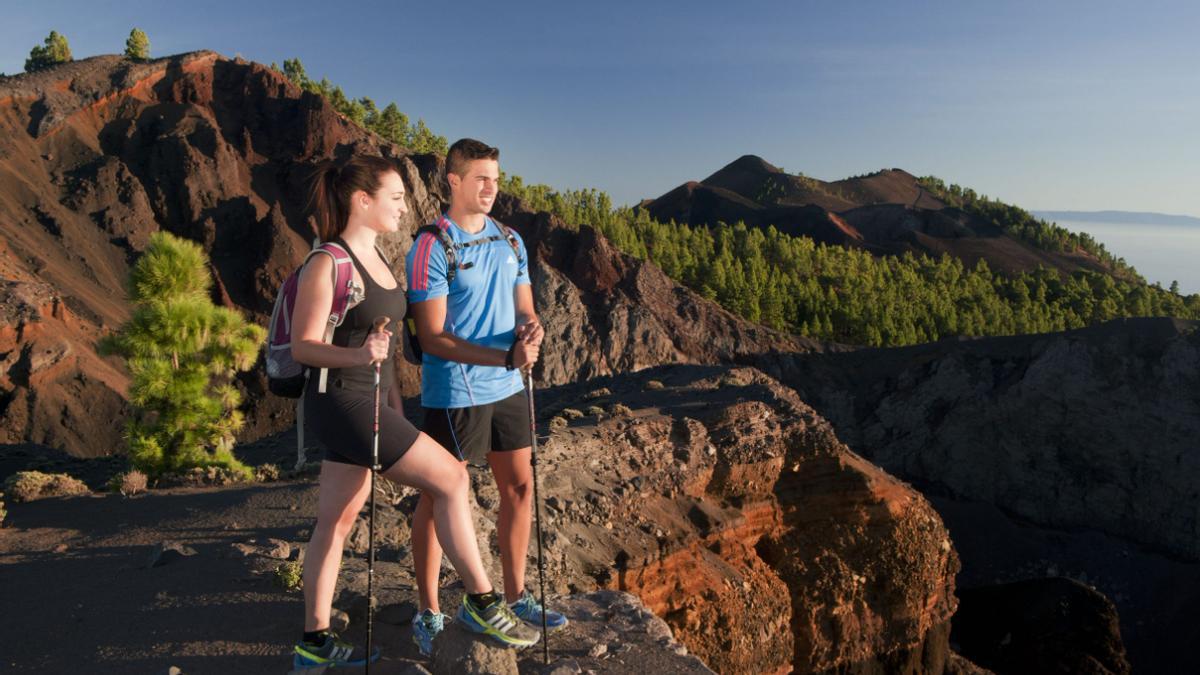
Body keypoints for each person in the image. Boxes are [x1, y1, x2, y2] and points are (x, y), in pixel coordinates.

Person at [290, 154, 540, 669]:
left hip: (367, 400)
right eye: (397, 197)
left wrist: (389, 392)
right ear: (363, 201)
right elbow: (303, 346)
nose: (406, 207)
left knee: (336, 520)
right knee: (450, 479)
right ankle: (481, 599)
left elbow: (379, 338)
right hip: (341, 401)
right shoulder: (327, 261)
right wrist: (360, 358)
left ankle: (313, 646)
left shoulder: (376, 257)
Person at [405, 139, 567, 657]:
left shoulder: (511, 241)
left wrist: (531, 331)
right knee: (436, 498)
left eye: (495, 178)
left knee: (518, 488)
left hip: (509, 387)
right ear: (452, 181)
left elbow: (524, 308)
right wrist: (504, 358)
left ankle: (515, 597)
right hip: (457, 391)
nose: (491, 187)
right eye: (480, 178)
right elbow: (431, 338)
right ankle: (428, 611)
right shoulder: (433, 245)